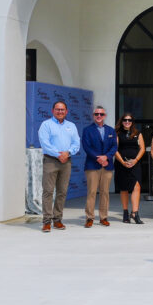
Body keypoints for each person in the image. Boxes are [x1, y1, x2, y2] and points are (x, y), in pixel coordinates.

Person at [36, 98, 80, 232]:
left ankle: (57, 219)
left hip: (66, 161)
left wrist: (68, 153)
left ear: (66, 111)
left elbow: (76, 143)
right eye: (57, 109)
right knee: (48, 191)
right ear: (52, 111)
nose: (60, 111)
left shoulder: (71, 126)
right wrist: (58, 154)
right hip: (51, 161)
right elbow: (45, 143)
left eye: (62, 109)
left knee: (62, 192)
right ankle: (47, 221)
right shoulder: (46, 125)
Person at [80, 104, 116, 228]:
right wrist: (99, 158)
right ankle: (89, 217)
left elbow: (114, 147)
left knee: (105, 192)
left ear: (105, 116)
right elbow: (87, 147)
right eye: (96, 114)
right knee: (92, 192)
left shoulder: (111, 130)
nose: (99, 116)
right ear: (93, 115)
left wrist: (106, 157)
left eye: (101, 114)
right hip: (92, 165)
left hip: (107, 165)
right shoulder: (87, 130)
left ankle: (103, 217)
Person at [114, 113, 147, 225]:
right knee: (124, 188)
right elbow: (115, 149)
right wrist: (123, 162)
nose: (127, 122)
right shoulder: (117, 133)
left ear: (132, 122)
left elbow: (142, 148)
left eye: (129, 120)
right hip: (121, 164)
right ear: (121, 121)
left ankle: (135, 213)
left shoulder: (138, 133)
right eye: (125, 120)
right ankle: (125, 212)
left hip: (135, 164)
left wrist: (136, 160)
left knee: (136, 186)